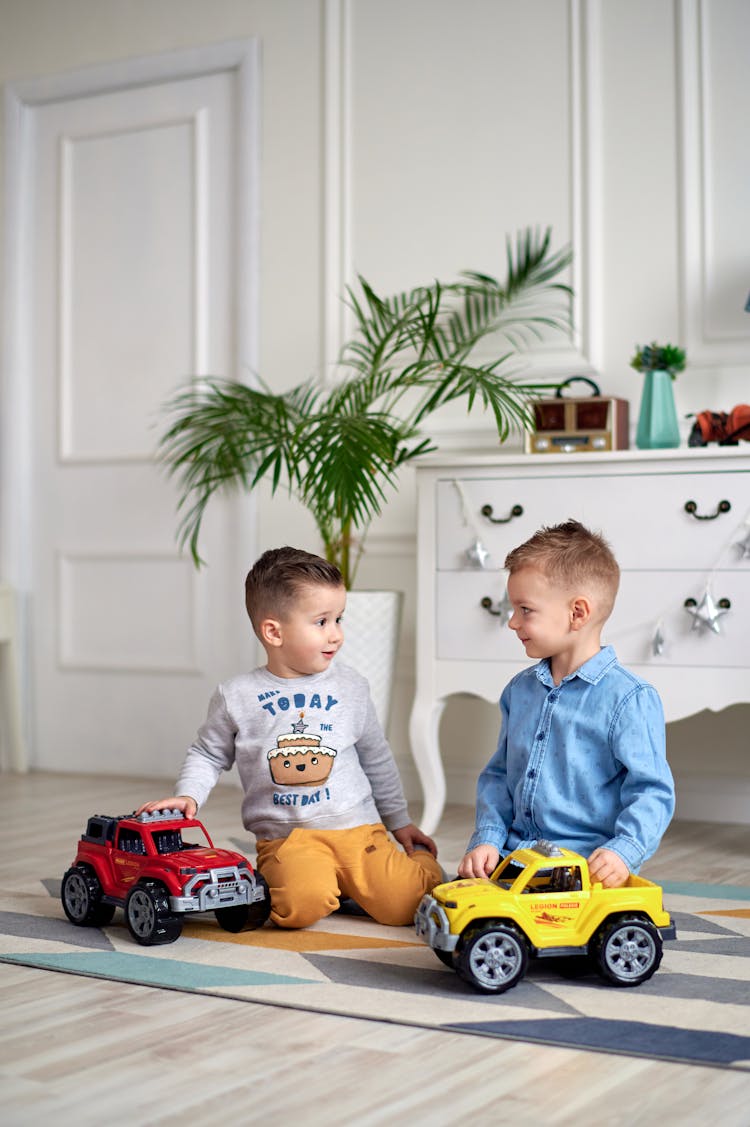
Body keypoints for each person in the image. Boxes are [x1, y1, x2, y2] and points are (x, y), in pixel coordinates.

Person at [137, 546, 442, 928]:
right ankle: (326, 883)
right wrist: (188, 794)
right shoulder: (237, 695)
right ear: (273, 631)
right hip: (289, 839)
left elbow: (376, 757)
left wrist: (400, 822)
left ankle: (420, 868)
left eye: (339, 619)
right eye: (322, 622)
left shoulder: (351, 686)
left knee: (405, 907)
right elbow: (207, 753)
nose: (337, 635)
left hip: (360, 831)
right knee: (297, 908)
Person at [458, 520, 675, 888]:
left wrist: (624, 850)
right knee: (450, 903)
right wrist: (488, 838)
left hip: (584, 866)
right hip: (516, 856)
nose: (512, 622)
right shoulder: (519, 692)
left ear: (578, 613)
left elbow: (650, 790)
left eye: (525, 609)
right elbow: (498, 777)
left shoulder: (629, 699)